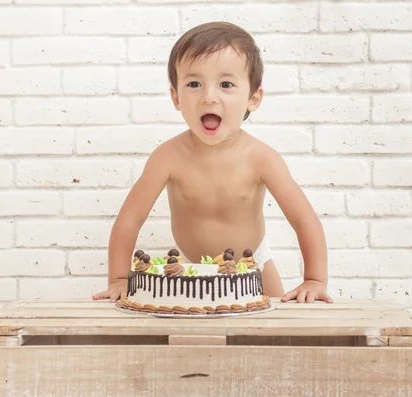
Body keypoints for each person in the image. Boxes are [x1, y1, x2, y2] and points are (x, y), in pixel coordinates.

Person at [93, 22, 332, 304]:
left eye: (226, 84)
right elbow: (129, 220)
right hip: (191, 265)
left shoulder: (263, 158)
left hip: (254, 262)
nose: (208, 96)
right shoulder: (167, 157)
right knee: (194, 334)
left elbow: (304, 220)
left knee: (272, 331)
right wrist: (119, 278)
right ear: (175, 97)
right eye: (194, 84)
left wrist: (315, 279)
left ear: (253, 99)